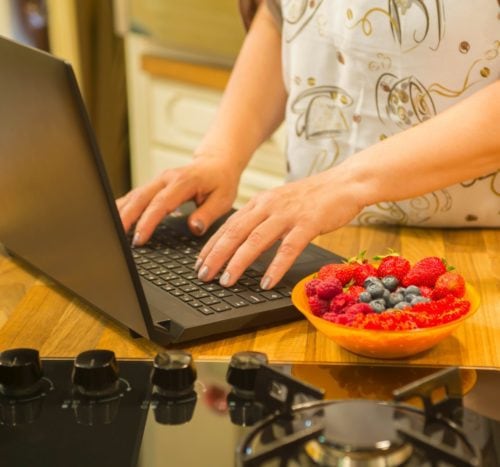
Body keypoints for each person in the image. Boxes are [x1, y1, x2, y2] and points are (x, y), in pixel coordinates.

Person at [117, 0, 499, 292]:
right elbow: (283, 15)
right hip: (320, 242)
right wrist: (219, 157)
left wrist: (345, 183)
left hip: (479, 254)